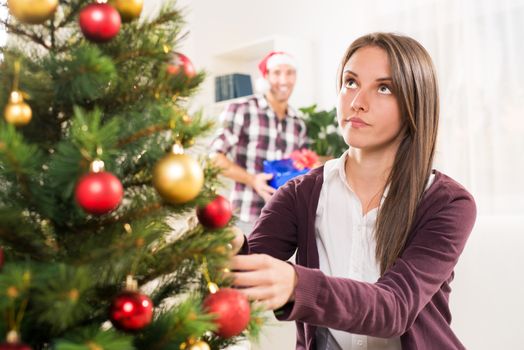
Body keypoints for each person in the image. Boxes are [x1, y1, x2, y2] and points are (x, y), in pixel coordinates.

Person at [229, 32, 477, 350]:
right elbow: (248, 272)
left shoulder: (447, 203)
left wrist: (296, 284)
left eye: (384, 88)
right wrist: (230, 247)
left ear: (415, 103)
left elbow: (395, 307)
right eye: (350, 82)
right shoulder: (298, 194)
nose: (357, 102)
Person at [210, 51, 308, 235]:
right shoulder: (242, 110)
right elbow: (214, 158)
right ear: (266, 77)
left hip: (284, 221)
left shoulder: (298, 122)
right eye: (277, 72)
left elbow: (300, 166)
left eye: (290, 73)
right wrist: (253, 180)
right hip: (247, 218)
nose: (284, 80)